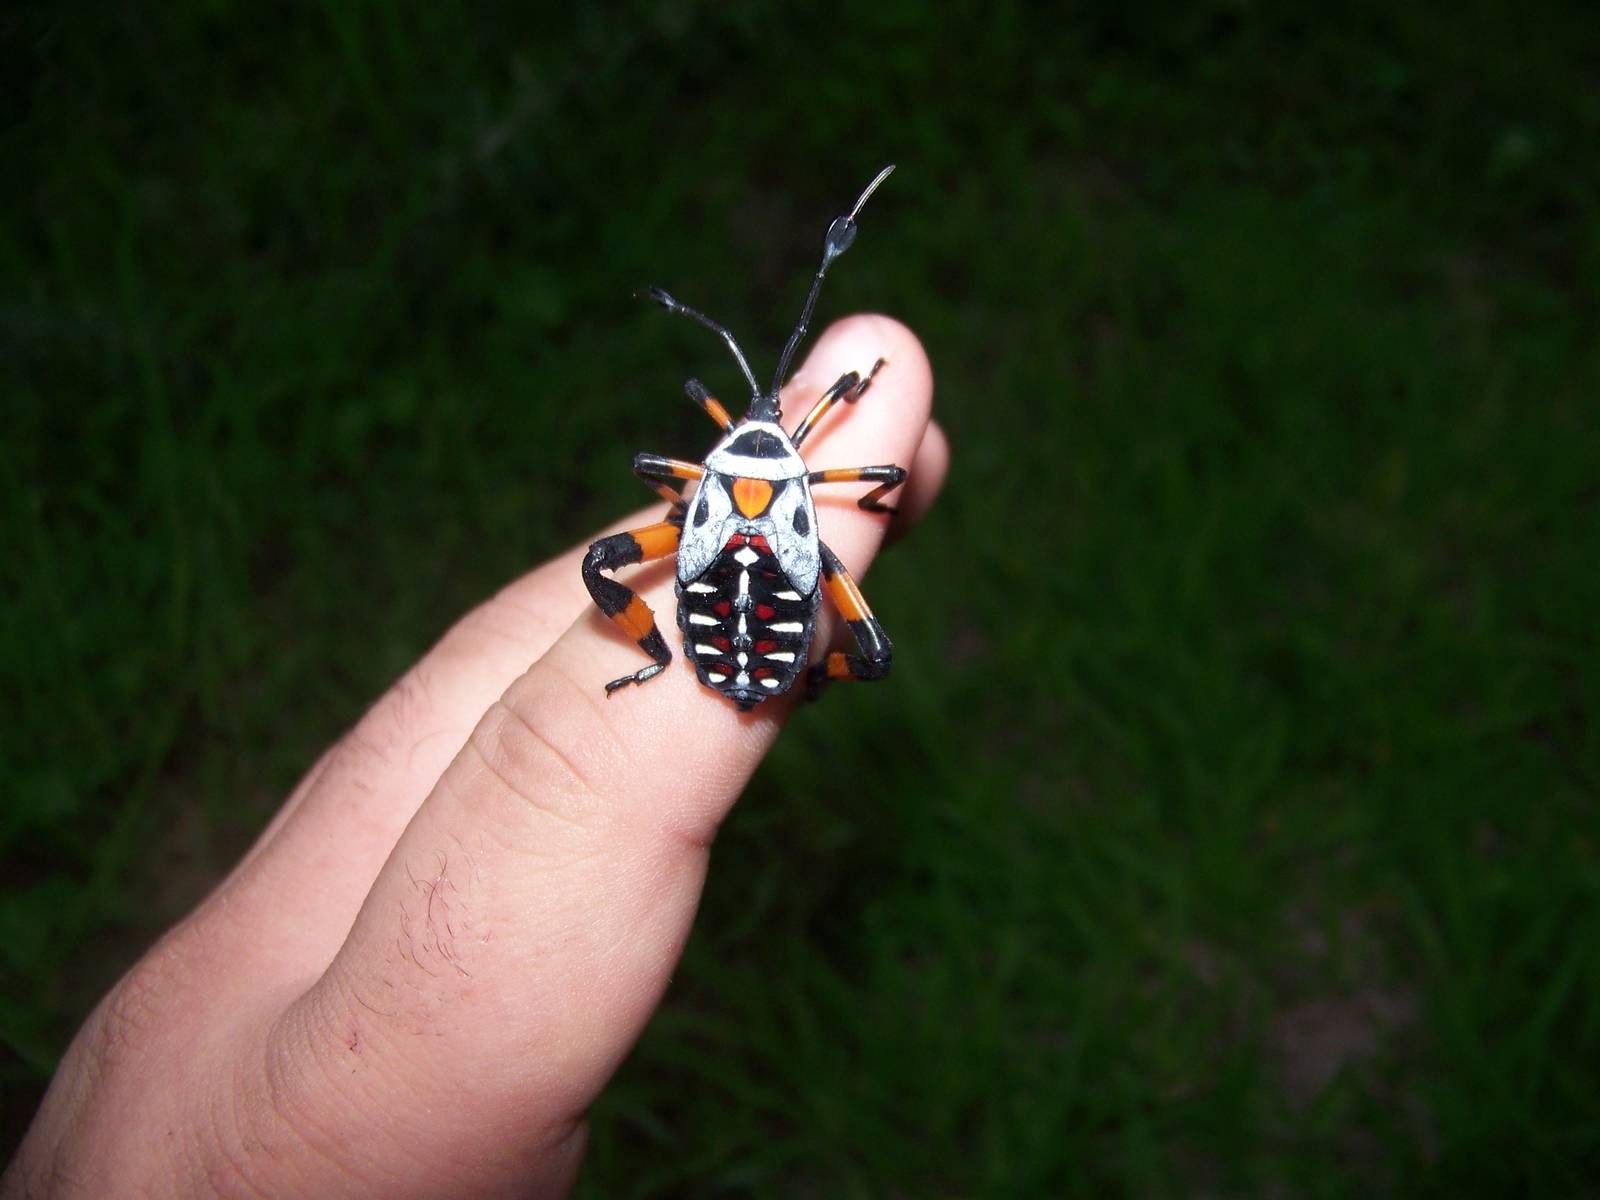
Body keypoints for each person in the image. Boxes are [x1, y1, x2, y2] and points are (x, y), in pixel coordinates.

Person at [5, 315, 947, 1198]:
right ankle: (800, 674)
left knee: (606, 562)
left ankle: (661, 649)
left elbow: (654, 471)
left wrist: (686, 558)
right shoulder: (812, 477)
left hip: (706, 610)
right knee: (869, 650)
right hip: (786, 592)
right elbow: (877, 484)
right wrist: (802, 660)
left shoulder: (698, 475)